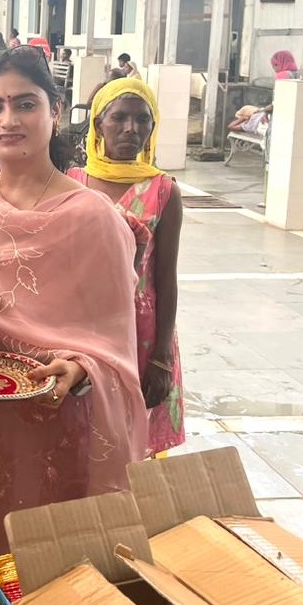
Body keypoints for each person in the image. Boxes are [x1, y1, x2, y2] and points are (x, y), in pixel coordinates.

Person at [0, 47, 148, 557]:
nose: (9, 120)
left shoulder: (94, 219)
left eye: (25, 104)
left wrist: (77, 368)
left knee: (65, 572)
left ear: (55, 109)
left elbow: (115, 345)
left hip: (65, 420)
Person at [68, 77, 185, 454]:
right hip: (84, 325)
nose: (130, 129)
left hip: (143, 331)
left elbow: (165, 279)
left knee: (136, 443)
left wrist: (163, 357)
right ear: (98, 124)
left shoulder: (164, 190)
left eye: (142, 119)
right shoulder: (73, 184)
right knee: (85, 430)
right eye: (118, 117)